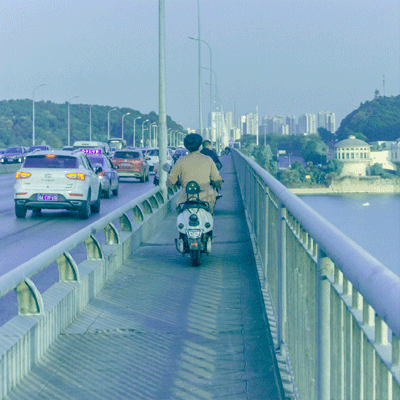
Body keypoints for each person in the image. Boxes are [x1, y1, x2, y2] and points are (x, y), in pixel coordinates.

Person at [167, 134, 222, 213]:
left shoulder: (180, 161)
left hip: (186, 198)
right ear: (200, 146)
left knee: (179, 211)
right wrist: (218, 185)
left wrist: (169, 184)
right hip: (206, 198)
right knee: (209, 215)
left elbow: (171, 181)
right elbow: (216, 179)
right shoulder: (208, 160)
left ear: (186, 146)